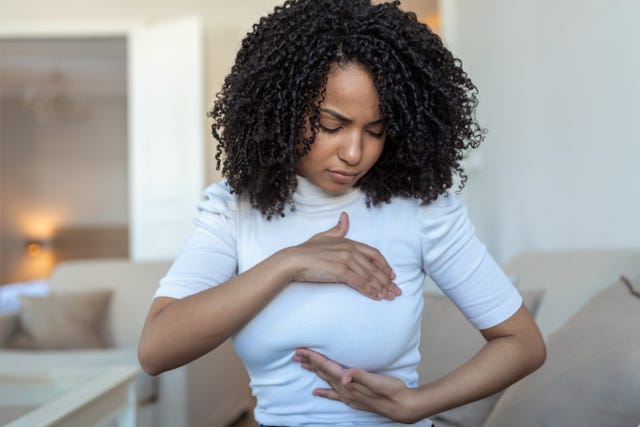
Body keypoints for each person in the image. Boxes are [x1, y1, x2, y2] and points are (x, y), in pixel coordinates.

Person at [137, 1, 546, 426]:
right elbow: (156, 350)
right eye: (332, 126)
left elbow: (522, 342)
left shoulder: (421, 209)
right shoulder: (232, 209)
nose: (354, 153)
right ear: (282, 110)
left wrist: (417, 404)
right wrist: (290, 262)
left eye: (375, 131)